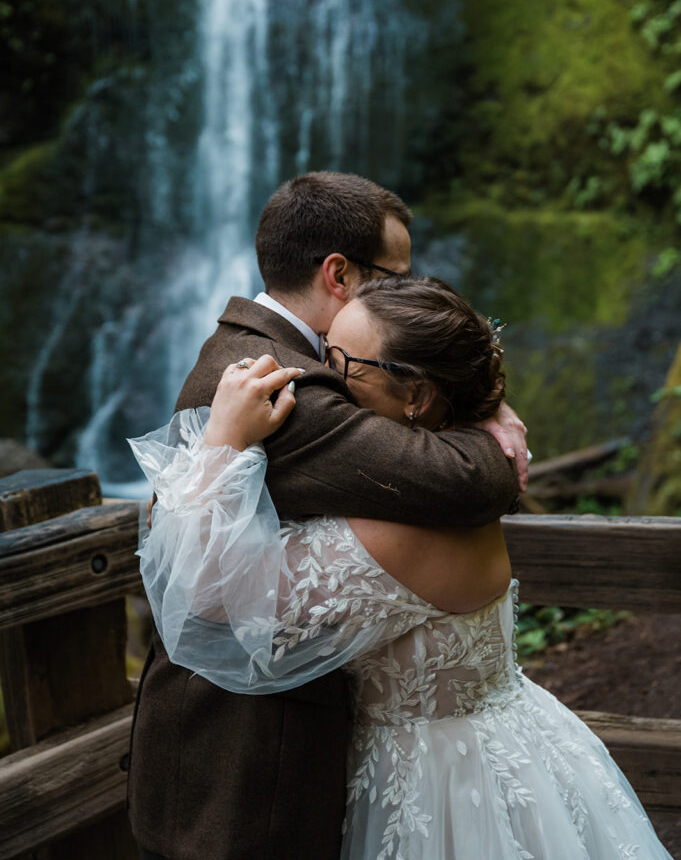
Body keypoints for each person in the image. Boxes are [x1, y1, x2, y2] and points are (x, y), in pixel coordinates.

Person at [131, 276, 672, 860]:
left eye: (341, 362)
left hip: (434, 788)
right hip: (507, 746)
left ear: (415, 394)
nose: (324, 379)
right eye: (323, 351)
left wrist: (224, 442)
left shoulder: (400, 529)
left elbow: (213, 599)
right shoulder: (432, 484)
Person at [126, 171, 527, 860]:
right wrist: (487, 420)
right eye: (393, 276)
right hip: (242, 766)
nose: (404, 291)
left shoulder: (283, 354)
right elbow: (465, 480)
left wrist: (476, 396)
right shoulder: (283, 384)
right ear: (338, 273)